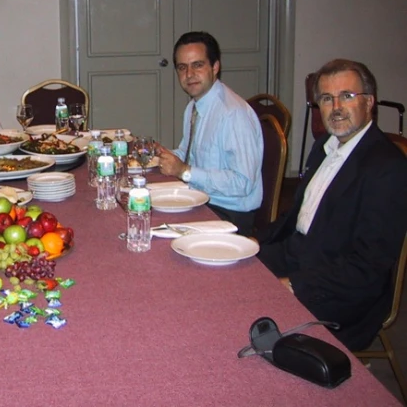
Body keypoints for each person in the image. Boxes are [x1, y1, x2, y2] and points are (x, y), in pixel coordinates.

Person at [257, 59, 407, 350]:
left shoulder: (388, 169)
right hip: (298, 254)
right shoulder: (324, 147)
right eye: (327, 98)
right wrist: (253, 244)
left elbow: (367, 267)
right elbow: (296, 217)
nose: (336, 107)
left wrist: (293, 285)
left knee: (247, 313)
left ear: (369, 102)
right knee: (225, 276)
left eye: (347, 96)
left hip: (340, 288)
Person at [156, 31, 263, 236]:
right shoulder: (195, 106)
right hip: (203, 200)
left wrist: (184, 171)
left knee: (151, 228)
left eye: (198, 65)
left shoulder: (233, 114)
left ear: (215, 67)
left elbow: (243, 183)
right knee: (140, 206)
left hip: (229, 214)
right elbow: (190, 154)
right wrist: (161, 155)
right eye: (182, 67)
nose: (189, 74)